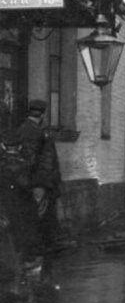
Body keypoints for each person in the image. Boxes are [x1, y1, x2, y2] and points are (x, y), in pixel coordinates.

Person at [15, 99, 62, 256]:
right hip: (38, 181)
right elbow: (34, 160)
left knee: (37, 214)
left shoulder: (23, 129)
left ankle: (38, 247)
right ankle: (37, 250)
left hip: (34, 180)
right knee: (39, 214)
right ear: (42, 114)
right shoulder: (36, 132)